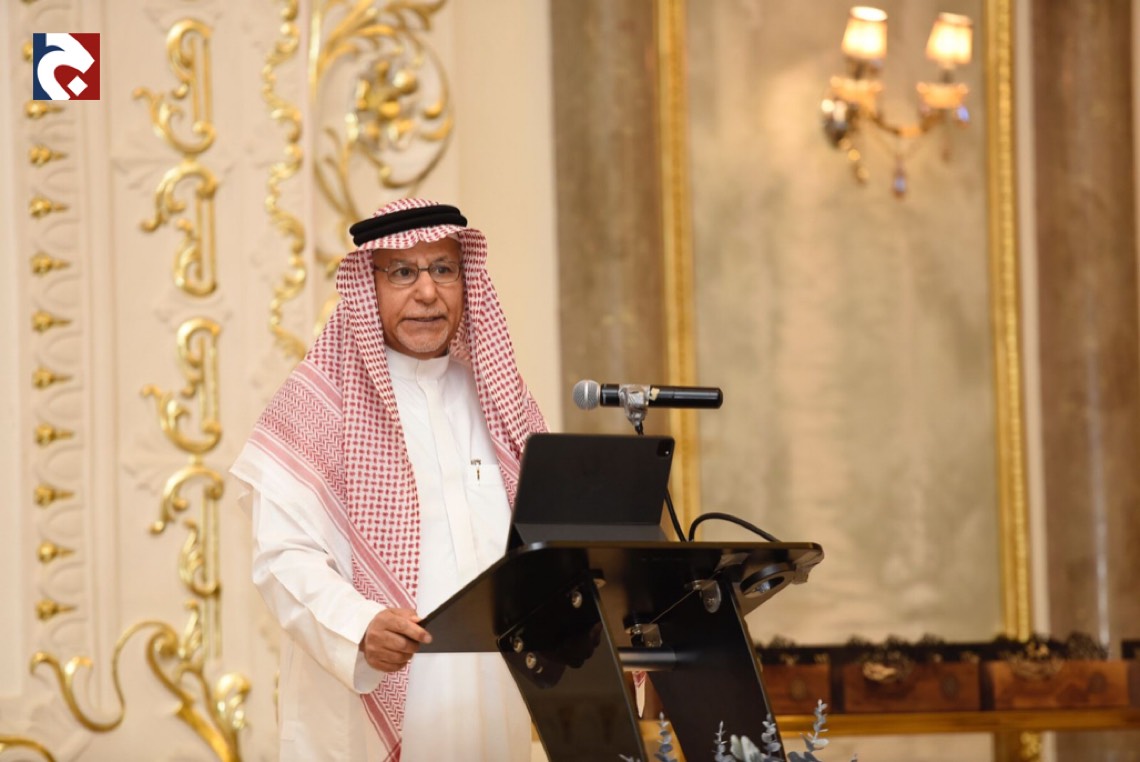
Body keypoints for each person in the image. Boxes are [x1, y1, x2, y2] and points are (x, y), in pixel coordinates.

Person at [231, 198, 547, 761]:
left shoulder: (501, 403)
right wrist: (360, 626)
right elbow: (282, 558)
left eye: (443, 269)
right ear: (368, 285)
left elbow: (545, 541)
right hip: (369, 701)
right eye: (402, 272)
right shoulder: (317, 406)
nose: (427, 292)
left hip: (492, 698)